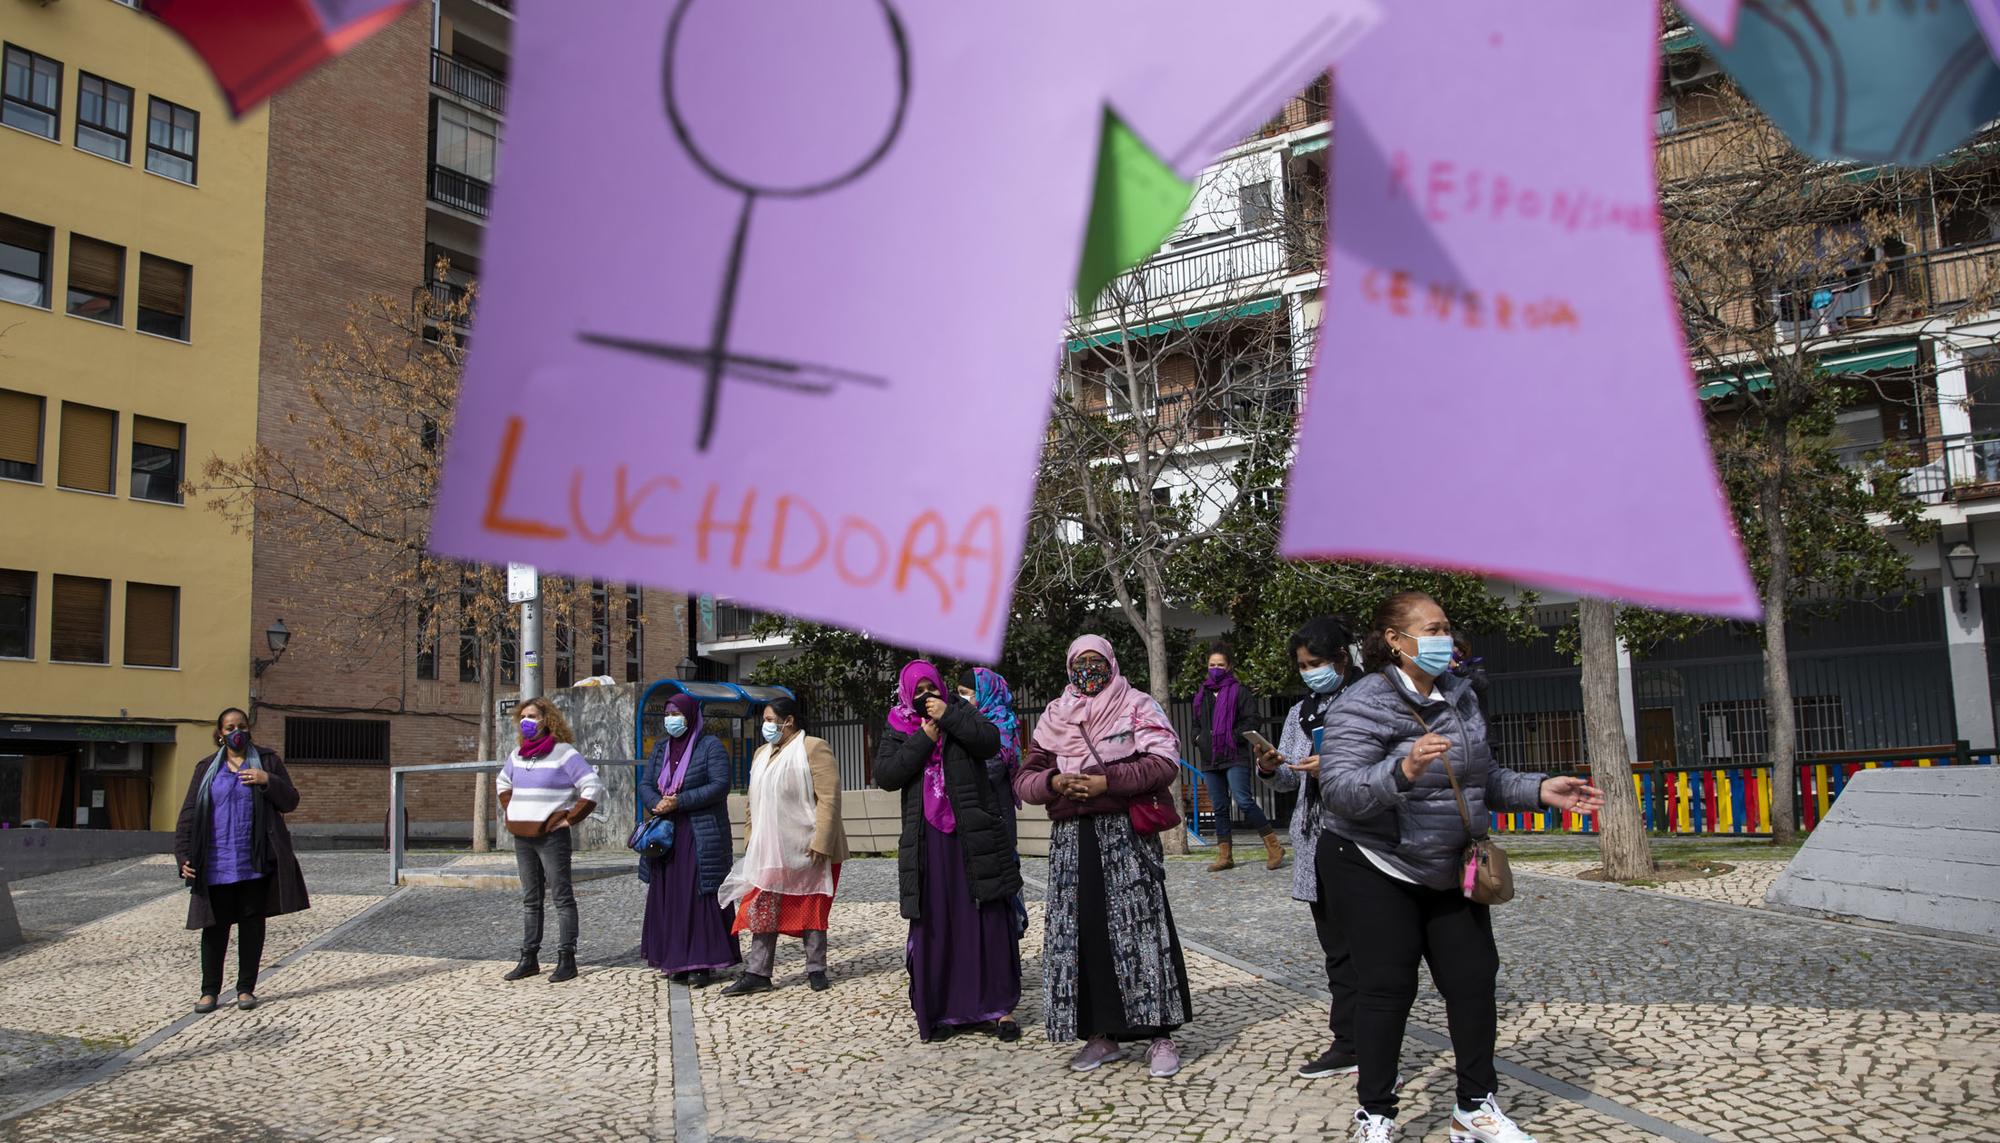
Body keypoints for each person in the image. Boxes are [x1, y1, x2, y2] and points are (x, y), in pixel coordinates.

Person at [1322, 592, 1604, 1143]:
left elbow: (1482, 778)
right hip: (1375, 862)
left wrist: (1540, 789)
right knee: (1386, 987)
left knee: (1473, 981)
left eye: (1446, 627)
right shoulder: (1360, 702)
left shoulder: (1460, 696)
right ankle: (1375, 1114)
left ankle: (1474, 1107)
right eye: (1432, 629)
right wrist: (1401, 768)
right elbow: (1338, 792)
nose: (1443, 639)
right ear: (1397, 641)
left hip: (1450, 863)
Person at [1016, 635, 1194, 1079]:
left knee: (1141, 930)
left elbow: (1163, 763)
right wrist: (1055, 782)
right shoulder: (1055, 716)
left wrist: (1105, 782)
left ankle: (1159, 1035)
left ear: (1112, 664)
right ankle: (1101, 1034)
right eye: (1081, 662)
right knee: (1085, 933)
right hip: (1072, 842)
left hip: (1125, 837)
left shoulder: (1136, 705)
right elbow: (1025, 779)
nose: (1089, 670)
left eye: (1097, 661)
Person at [877, 660, 1024, 1042]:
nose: (927, 695)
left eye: (932, 687)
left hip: (971, 833)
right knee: (936, 922)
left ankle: (999, 1008)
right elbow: (887, 776)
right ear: (908, 692)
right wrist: (924, 738)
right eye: (919, 689)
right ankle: (941, 1010)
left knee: (986, 916)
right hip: (928, 839)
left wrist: (950, 717)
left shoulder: (960, 712)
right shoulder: (898, 725)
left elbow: (989, 741)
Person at [1251, 616, 1364, 1080]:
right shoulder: (1302, 712)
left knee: (1368, 951)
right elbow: (1285, 779)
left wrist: (1332, 766)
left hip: (1359, 838)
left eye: (1315, 663)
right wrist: (1269, 764)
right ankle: (1349, 1041)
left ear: (1341, 658)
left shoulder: (1368, 699)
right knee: (1336, 951)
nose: (1309, 672)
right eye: (1302, 665)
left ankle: (1376, 1043)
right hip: (1315, 842)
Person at [174, 708, 311, 1014]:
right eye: (230, 726)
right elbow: (188, 815)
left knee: (251, 924)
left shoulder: (267, 760)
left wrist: (267, 780)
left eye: (242, 725)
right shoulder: (207, 768)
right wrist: (183, 856)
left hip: (254, 860)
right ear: (220, 733)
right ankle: (209, 991)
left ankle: (246, 988)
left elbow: (290, 800)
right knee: (215, 928)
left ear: (249, 729)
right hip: (216, 862)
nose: (236, 731)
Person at [718, 696, 848, 994]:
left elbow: (829, 798)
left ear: (788, 721)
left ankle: (816, 968)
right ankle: (758, 972)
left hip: (808, 844)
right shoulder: (761, 753)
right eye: (764, 720)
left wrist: (822, 841)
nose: (765, 725)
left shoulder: (813, 748)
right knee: (763, 906)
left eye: (768, 719)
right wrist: (751, 841)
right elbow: (754, 802)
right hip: (769, 847)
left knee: (810, 904)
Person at [496, 697, 604, 984]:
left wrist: (570, 817)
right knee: (531, 899)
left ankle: (566, 958)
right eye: (523, 716)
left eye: (532, 716)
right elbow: (503, 782)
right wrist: (513, 809)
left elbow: (592, 786)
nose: (526, 721)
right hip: (523, 835)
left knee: (561, 897)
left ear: (547, 719)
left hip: (552, 837)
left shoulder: (564, 753)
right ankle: (528, 957)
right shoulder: (518, 754)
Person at [638, 691, 741, 988]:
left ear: (691, 716)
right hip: (665, 836)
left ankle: (703, 962)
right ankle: (675, 960)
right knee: (670, 896)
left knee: (697, 896)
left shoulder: (709, 746)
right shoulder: (661, 748)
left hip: (699, 833)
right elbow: (646, 783)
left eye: (677, 714)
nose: (671, 720)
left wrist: (679, 801)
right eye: (668, 714)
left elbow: (720, 785)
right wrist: (655, 802)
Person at [1191, 643, 1281, 872]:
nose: (1216, 668)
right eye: (1212, 665)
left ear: (1229, 666)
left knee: (1243, 800)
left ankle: (1274, 846)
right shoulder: (1202, 694)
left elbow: (1252, 719)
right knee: (1219, 806)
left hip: (1234, 755)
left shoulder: (1239, 691)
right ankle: (1225, 855)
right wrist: (1198, 738)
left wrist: (1232, 735)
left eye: (1220, 665)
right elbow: (1195, 723)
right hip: (1210, 758)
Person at [958, 666, 1029, 938]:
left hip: (996, 818)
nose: (963, 699)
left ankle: (1006, 950)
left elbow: (991, 767)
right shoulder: (968, 723)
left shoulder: (1002, 724)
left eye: (966, 694)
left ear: (985, 693)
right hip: (971, 819)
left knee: (1001, 885)